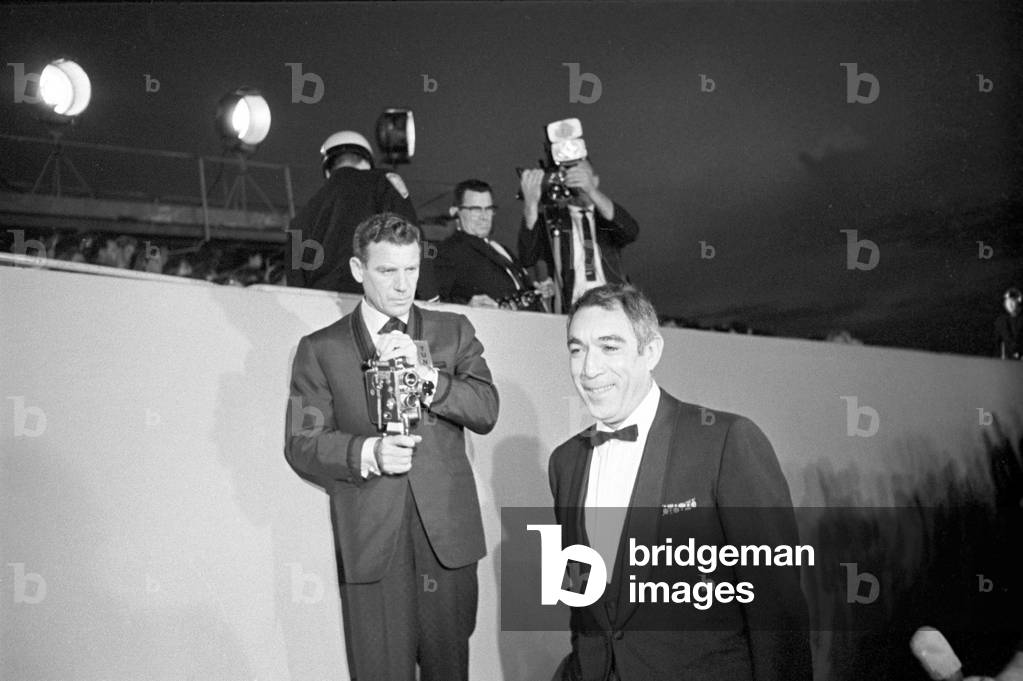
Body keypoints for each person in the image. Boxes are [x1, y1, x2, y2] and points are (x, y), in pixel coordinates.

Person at [547, 284, 811, 681]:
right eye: (577, 349)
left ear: (650, 351)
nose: (589, 368)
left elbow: (777, 609)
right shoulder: (565, 463)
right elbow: (582, 604)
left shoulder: (726, 441)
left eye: (609, 347)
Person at [284, 212, 498, 681]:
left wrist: (428, 379)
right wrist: (369, 453)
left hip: (448, 540)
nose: (403, 285)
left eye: (411, 269)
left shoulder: (453, 330)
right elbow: (302, 443)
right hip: (372, 540)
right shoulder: (321, 349)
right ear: (359, 270)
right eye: (387, 271)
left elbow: (485, 409)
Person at [284, 130, 437, 299]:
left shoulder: (301, 217)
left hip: (320, 306)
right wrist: (430, 296)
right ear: (367, 163)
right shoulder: (382, 182)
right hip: (375, 301)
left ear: (328, 171)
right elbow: (410, 237)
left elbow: (295, 284)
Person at [517, 160, 638, 313]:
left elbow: (630, 231)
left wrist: (591, 191)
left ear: (595, 180)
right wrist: (531, 203)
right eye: (570, 176)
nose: (577, 180)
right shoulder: (553, 220)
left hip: (612, 305)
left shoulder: (605, 217)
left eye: (582, 174)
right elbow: (528, 256)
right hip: (573, 307)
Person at [434, 178, 550, 311]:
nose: (484, 217)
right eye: (476, 209)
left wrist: (539, 291)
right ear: (455, 212)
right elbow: (434, 302)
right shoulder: (448, 250)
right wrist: (467, 307)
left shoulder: (501, 249)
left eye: (488, 209)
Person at [995, 287, 1022, 360]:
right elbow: (999, 342)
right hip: (1007, 361)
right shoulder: (1001, 321)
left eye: (1012, 300)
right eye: (1007, 301)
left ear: (1018, 302)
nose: (1009, 303)